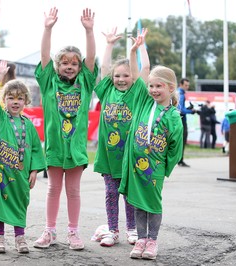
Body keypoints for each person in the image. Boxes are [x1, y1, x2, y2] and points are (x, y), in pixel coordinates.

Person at [32, 7, 98, 251]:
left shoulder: (85, 82)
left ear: (80, 68)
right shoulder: (49, 81)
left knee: (73, 190)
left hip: (76, 148)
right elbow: (44, 55)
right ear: (57, 66)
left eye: (74, 63)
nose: (69, 66)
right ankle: (49, 231)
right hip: (54, 147)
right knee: (52, 189)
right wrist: (47, 28)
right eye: (64, 63)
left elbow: (91, 58)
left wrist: (89, 31)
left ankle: (73, 232)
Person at [119, 34, 183, 260]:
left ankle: (153, 241)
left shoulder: (173, 115)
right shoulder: (144, 102)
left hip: (154, 168)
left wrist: (165, 167)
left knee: (152, 203)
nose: (154, 90)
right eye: (152, 86)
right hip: (135, 166)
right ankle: (141, 239)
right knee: (137, 203)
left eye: (159, 86)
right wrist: (135, 50)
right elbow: (141, 71)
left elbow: (176, 147)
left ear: (171, 88)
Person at [0, 60, 45, 254]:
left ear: (26, 101)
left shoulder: (29, 125)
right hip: (1, 174)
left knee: (19, 204)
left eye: (20, 98)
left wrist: (34, 170)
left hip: (21, 176)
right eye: (10, 98)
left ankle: (20, 237)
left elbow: (34, 149)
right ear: (4, 100)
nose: (15, 102)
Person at [93, 27, 149, 247]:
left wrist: (140, 48)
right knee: (110, 194)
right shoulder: (107, 91)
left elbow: (145, 71)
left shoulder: (136, 93)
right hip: (108, 157)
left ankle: (132, 229)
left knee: (129, 195)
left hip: (130, 156)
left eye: (126, 75)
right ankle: (112, 230)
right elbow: (104, 68)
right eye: (118, 76)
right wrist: (108, 45)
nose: (121, 79)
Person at [176, 78, 195, 167]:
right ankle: (180, 160)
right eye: (186, 85)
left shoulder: (179, 93)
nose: (187, 87)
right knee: (182, 140)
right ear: (181, 84)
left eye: (188, 85)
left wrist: (188, 109)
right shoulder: (181, 94)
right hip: (181, 119)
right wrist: (191, 111)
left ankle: (179, 159)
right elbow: (180, 109)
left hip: (179, 119)